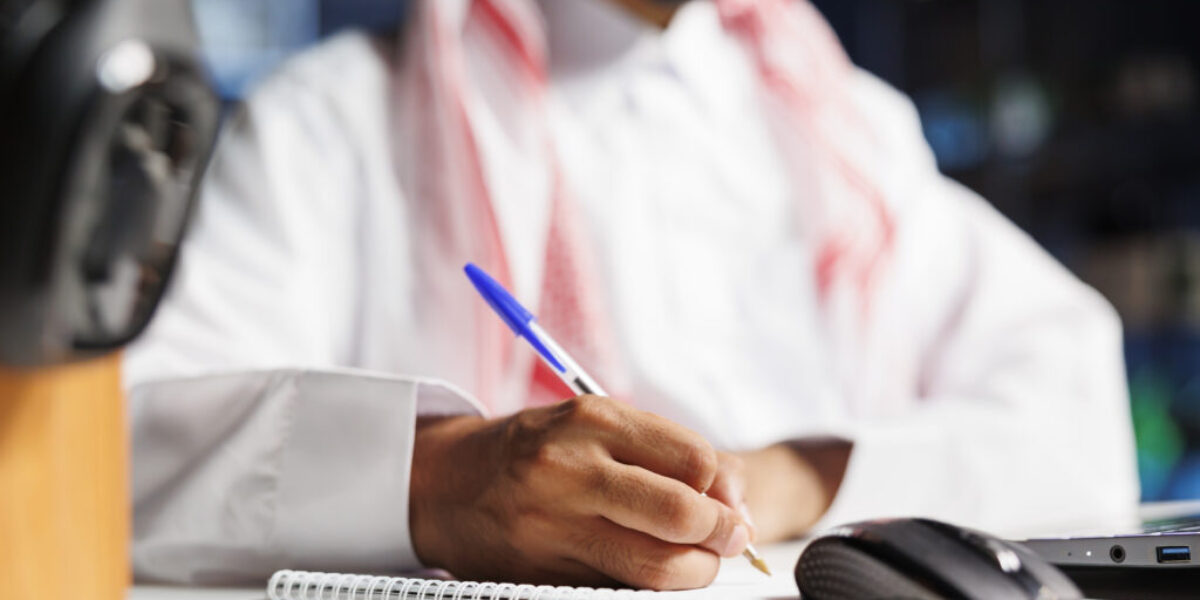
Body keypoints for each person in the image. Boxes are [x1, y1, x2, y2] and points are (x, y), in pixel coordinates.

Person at [124, 0, 1140, 590]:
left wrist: (793, 477)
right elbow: (125, 454)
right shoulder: (332, 123)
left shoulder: (845, 126)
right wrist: (437, 481)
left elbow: (1079, 409)